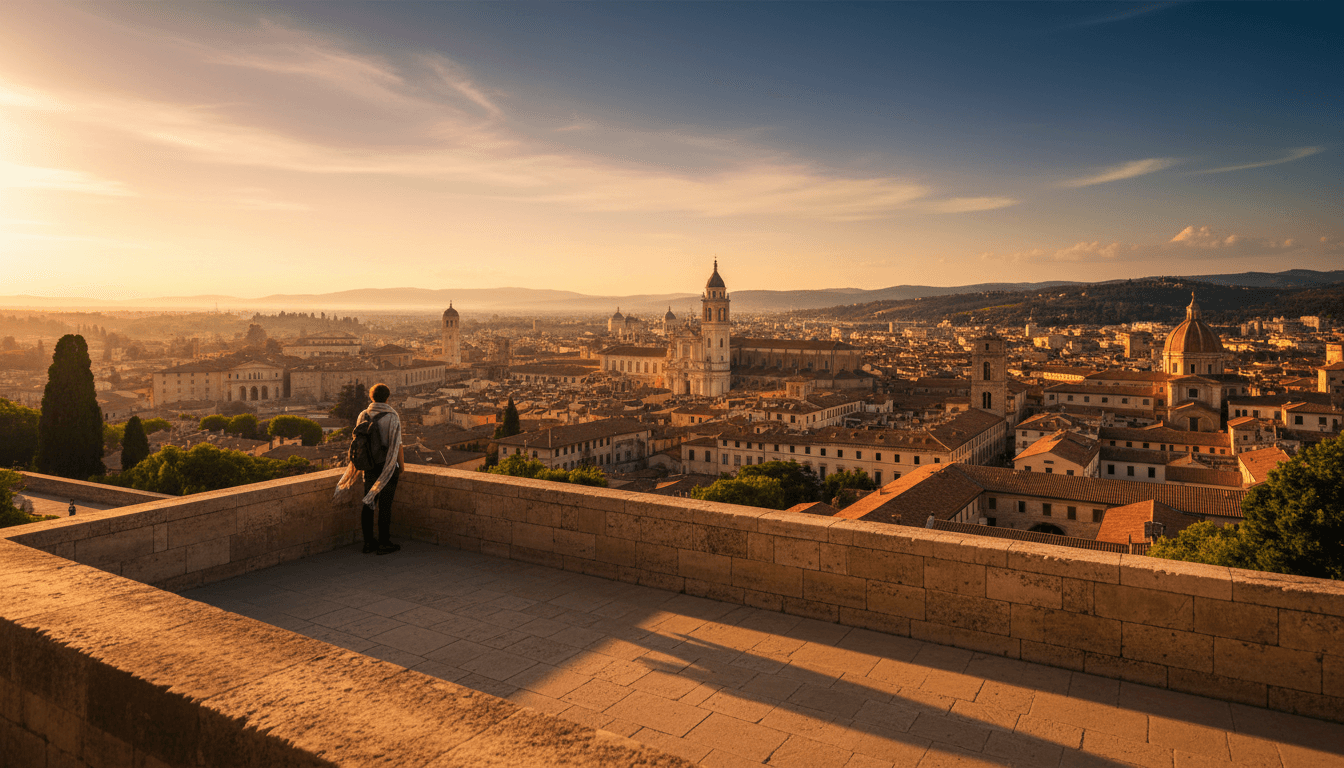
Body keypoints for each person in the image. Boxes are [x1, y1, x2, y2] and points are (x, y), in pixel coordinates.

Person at [337, 383, 404, 555]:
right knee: (385, 506)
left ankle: (368, 543)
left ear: (371, 397)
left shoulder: (363, 415)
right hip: (387, 466)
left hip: (368, 465)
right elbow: (397, 445)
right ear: (388, 397)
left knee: (368, 502)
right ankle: (384, 543)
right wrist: (400, 466)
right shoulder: (393, 416)